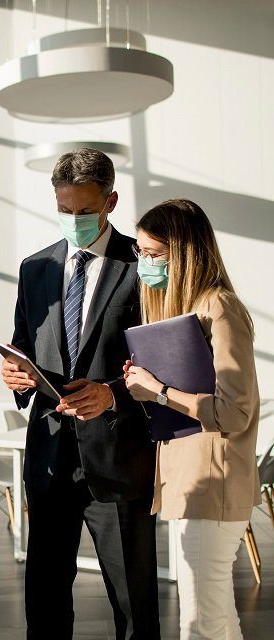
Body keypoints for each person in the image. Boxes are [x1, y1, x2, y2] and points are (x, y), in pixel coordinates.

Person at [1, 148, 160, 639]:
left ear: (110, 201)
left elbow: (164, 358)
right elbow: (23, 342)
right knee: (45, 604)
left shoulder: (144, 265)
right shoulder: (35, 269)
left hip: (117, 457)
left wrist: (113, 394)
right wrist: (16, 376)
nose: (74, 220)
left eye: (84, 211)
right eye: (64, 210)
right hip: (49, 457)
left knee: (134, 605)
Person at [124, 198, 260, 640]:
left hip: (213, 484)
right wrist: (145, 387)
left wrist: (160, 391)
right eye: (140, 253)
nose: (144, 264)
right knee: (217, 617)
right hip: (188, 482)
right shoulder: (182, 311)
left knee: (198, 623)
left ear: (183, 254)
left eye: (154, 255)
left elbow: (234, 412)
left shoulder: (219, 308)